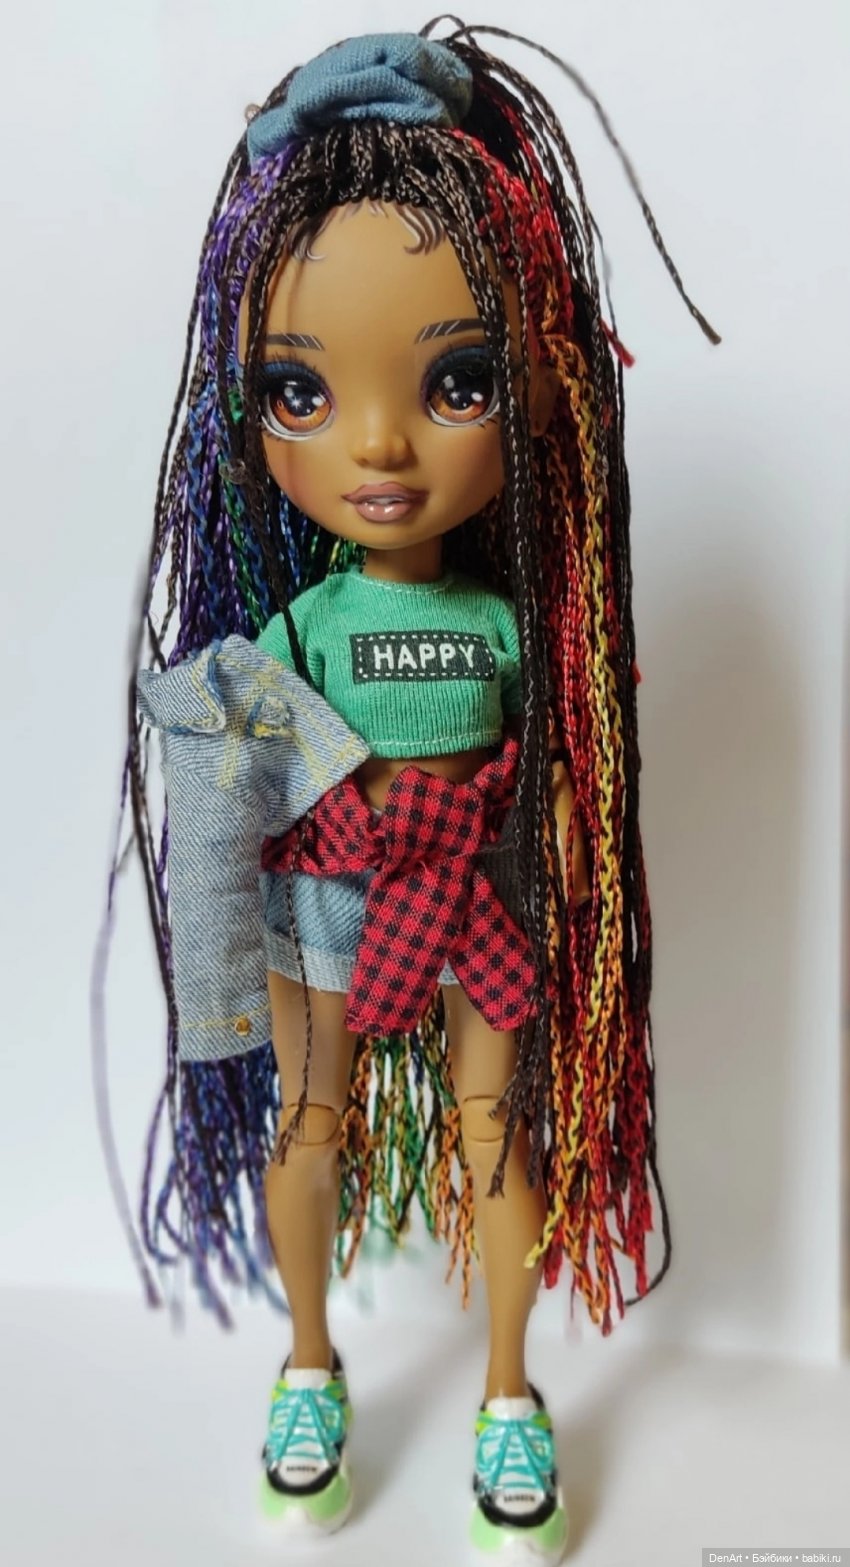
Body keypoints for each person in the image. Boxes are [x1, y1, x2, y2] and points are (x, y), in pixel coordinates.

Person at [99, 20, 718, 1564]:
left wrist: (556, 831)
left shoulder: (514, 626)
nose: (377, 442)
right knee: (307, 1125)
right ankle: (308, 1366)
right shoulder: (299, 629)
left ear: (542, 386)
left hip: (476, 902)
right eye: (298, 393)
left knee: (496, 1131)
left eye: (457, 380)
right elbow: (231, 753)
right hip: (323, 902)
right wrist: (232, 862)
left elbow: (556, 760)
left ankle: (509, 1392)